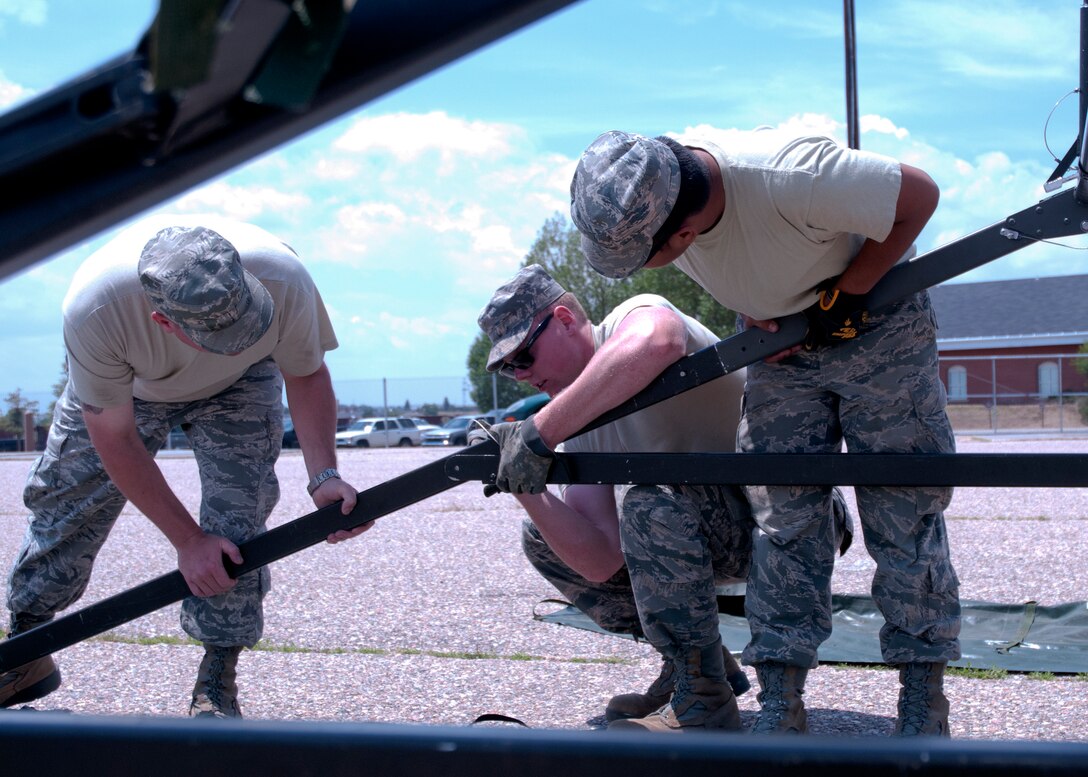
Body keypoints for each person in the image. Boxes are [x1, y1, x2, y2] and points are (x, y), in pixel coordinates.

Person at [566, 127, 960, 737]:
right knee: (781, 519)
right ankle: (781, 700)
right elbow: (749, 258)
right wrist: (757, 308)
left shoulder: (790, 173)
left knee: (902, 511)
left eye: (646, 256)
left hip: (878, 325)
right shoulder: (663, 198)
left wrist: (850, 290)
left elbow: (920, 196)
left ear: (683, 234)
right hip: (788, 347)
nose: (641, 269)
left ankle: (922, 699)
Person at [1, 215, 366, 717]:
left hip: (241, 384)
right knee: (67, 501)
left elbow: (305, 373)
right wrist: (187, 541)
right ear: (164, 322)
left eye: (247, 322)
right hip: (128, 391)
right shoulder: (97, 310)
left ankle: (216, 682)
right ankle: (24, 649)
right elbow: (116, 438)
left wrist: (323, 476)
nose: (239, 337)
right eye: (223, 334)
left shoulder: (283, 279)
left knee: (237, 521)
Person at [478, 264, 851, 733]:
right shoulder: (578, 429)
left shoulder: (634, 316)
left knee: (646, 498)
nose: (518, 375)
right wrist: (525, 487)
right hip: (701, 532)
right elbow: (599, 565)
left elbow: (659, 342)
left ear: (565, 319)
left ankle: (702, 701)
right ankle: (695, 670)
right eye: (507, 368)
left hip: (787, 520)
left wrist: (538, 432)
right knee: (544, 535)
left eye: (523, 356)